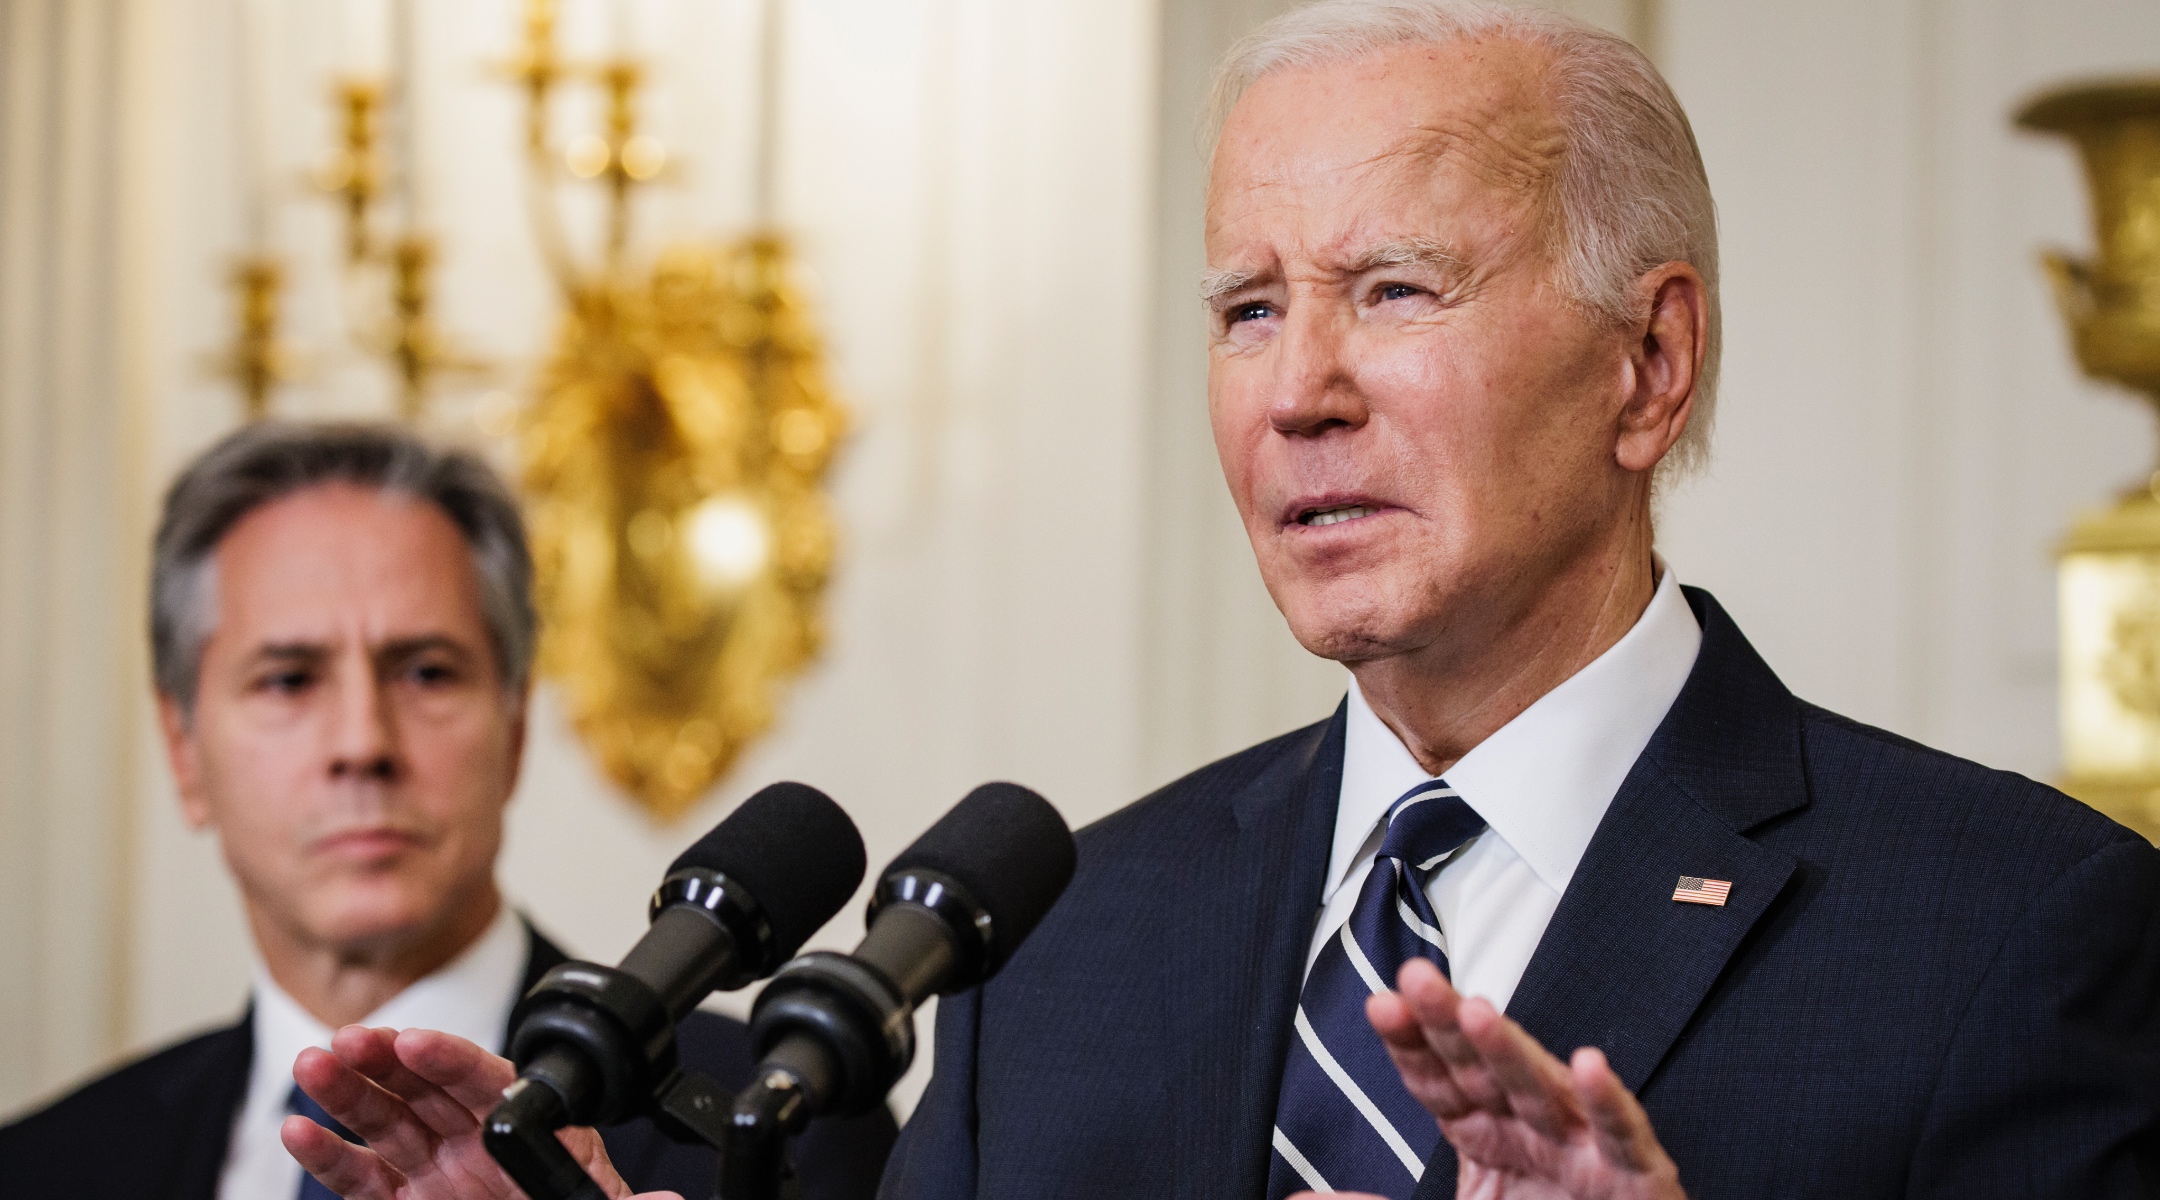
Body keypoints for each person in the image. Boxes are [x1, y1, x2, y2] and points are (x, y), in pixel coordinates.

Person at [266, 2, 2160, 1199]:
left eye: (1394, 289)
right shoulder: (1064, 942)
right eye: (1249, 306)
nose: (1295, 388)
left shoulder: (2013, 934)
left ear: (1646, 369)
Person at [0, 423, 896, 1200]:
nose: (363, 742)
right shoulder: (49, 1167)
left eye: (426, 671)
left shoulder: (774, 1116)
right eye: (288, 679)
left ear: (512, 731)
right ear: (182, 751)